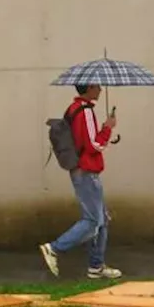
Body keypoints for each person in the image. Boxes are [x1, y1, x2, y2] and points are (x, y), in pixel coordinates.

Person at [39, 84, 122, 279]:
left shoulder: (74, 108)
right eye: (97, 87)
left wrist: (103, 130)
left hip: (82, 170)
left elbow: (84, 139)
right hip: (87, 171)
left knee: (102, 219)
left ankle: (96, 266)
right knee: (92, 220)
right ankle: (55, 248)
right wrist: (108, 129)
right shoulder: (85, 111)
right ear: (89, 88)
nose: (101, 90)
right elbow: (93, 144)